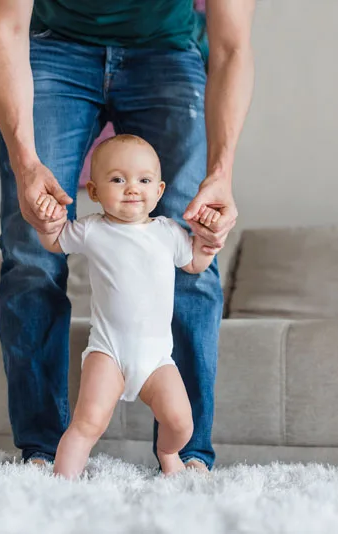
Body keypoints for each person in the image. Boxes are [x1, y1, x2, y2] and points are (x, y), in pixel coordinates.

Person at [0, 0, 255, 472]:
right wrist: (27, 163)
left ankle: (188, 458)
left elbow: (231, 47)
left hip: (168, 51)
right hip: (55, 49)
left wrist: (221, 173)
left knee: (195, 246)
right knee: (30, 255)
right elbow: (5, 28)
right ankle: (41, 454)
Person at [36, 134, 220, 478]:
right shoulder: (92, 229)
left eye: (144, 180)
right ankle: (61, 483)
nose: (132, 188)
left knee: (182, 423)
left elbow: (194, 262)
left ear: (160, 190)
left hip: (156, 359)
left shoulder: (168, 232)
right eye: (118, 179)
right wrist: (48, 219)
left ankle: (168, 453)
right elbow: (54, 241)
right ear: (93, 192)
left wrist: (208, 244)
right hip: (108, 352)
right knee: (87, 423)